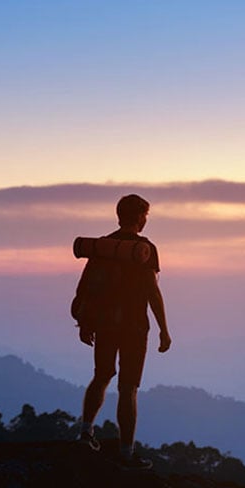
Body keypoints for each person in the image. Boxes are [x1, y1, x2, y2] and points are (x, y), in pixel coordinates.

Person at [76, 194, 171, 466]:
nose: (145, 220)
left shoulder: (103, 247)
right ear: (139, 216)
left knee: (101, 375)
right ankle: (126, 453)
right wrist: (164, 329)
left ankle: (85, 433)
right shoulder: (145, 249)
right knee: (128, 388)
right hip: (134, 326)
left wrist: (85, 323)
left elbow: (85, 287)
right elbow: (153, 292)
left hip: (105, 323)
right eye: (145, 215)